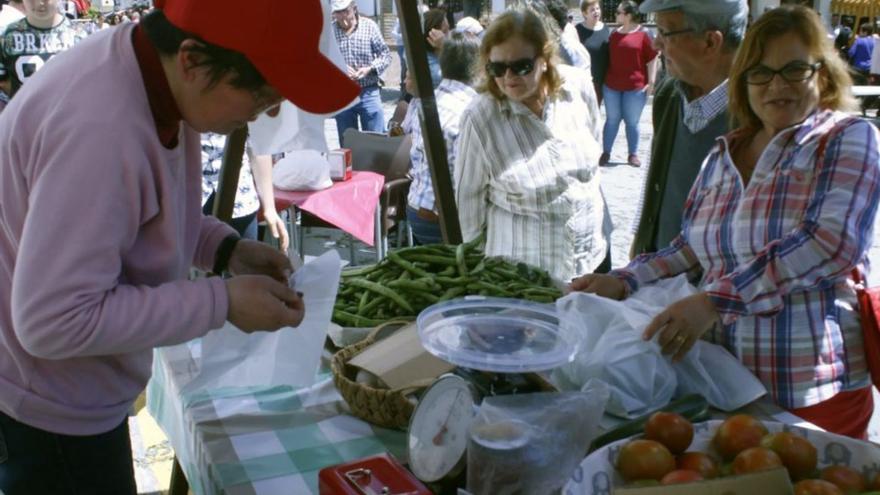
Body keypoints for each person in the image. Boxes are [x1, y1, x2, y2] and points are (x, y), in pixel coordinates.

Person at [0, 0, 360, 491]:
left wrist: (224, 251)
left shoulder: (158, 79)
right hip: (49, 407)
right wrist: (220, 301)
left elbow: (141, 212)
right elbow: (52, 319)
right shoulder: (100, 131)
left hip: (73, 390)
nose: (270, 110)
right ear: (192, 59)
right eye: (260, 93)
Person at [572, 5, 879, 439]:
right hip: (724, 381)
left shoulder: (847, 137)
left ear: (822, 75)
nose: (776, 85)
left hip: (810, 387)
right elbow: (689, 245)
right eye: (760, 72)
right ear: (745, 81)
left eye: (794, 70)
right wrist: (623, 280)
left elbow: (829, 244)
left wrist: (714, 301)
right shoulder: (725, 150)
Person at [454, 8, 607, 283]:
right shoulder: (480, 119)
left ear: (545, 59)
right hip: (523, 281)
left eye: (522, 66)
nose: (509, 77)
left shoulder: (578, 88)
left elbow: (594, 155)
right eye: (497, 68)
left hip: (591, 264)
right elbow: (468, 208)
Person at [629, 0, 748, 257]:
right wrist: (641, 245)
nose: (655, 43)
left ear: (710, 42)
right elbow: (657, 175)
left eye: (665, 32)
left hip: (718, 289)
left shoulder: (758, 113)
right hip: (657, 274)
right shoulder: (670, 94)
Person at [404, 31, 479, 245]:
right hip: (444, 216)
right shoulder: (470, 110)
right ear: (478, 67)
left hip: (417, 208)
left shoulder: (427, 101)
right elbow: (468, 177)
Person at [201, 134, 290, 251]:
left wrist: (269, 208)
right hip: (187, 199)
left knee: (245, 260)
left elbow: (258, 145)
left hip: (240, 200)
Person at [599, 0, 658, 167]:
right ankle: (606, 152)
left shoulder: (644, 34)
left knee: (632, 122)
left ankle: (633, 154)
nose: (616, 15)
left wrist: (652, 81)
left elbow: (653, 58)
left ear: (629, 15)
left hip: (635, 88)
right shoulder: (613, 34)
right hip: (612, 86)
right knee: (612, 120)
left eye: (619, 13)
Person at [331, 0, 392, 146]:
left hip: (368, 91)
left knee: (375, 140)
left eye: (346, 11)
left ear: (354, 9)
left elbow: (386, 55)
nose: (343, 17)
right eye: (338, 12)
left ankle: (375, 168)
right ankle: (351, 168)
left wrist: (370, 68)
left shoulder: (369, 26)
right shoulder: (330, 31)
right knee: (347, 142)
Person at [0, 0, 86, 102]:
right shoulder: (6, 36)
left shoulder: (80, 35)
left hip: (68, 114)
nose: (39, 3)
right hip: (25, 115)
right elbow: (2, 82)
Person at [576, 0, 610, 104]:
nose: (596, 12)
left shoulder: (605, 28)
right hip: (583, 80)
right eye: (592, 10)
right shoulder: (577, 30)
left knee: (596, 110)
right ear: (584, 13)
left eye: (597, 8)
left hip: (601, 80)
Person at [423, 8, 449, 88]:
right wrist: (445, 48)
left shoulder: (436, 55)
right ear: (432, 36)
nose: (449, 35)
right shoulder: (433, 69)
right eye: (445, 32)